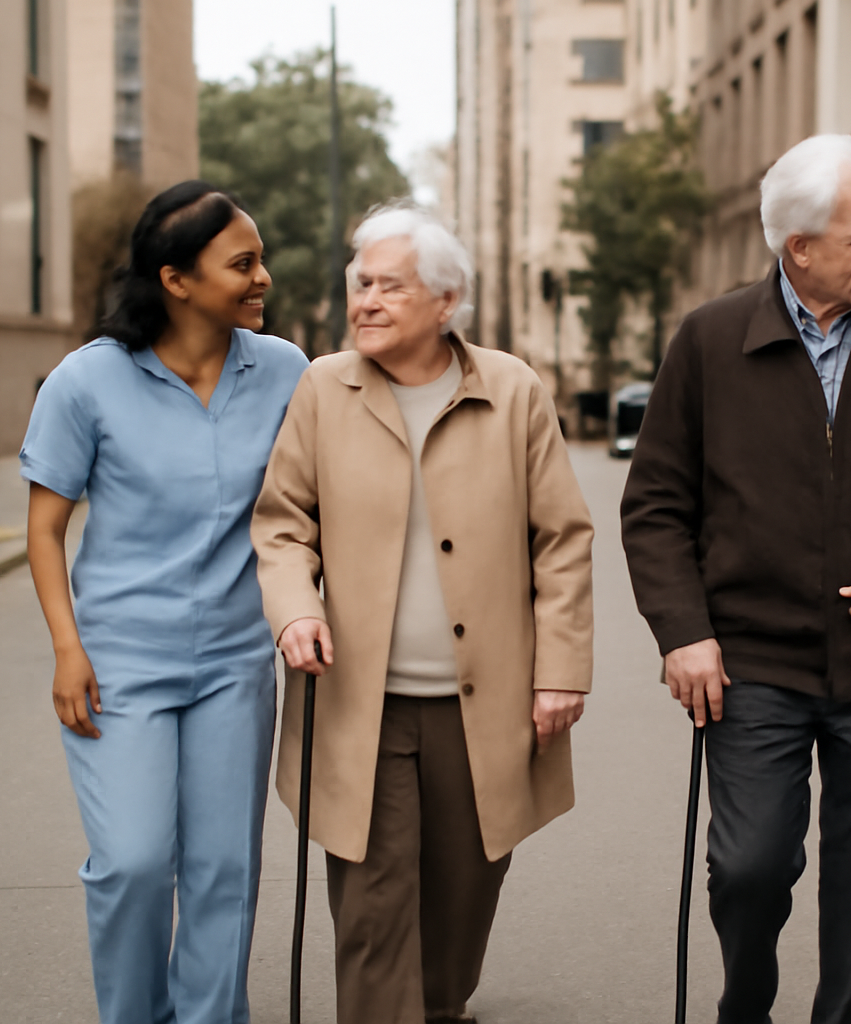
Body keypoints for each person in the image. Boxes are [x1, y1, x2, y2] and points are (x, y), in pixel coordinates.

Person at [621, 135, 851, 1024]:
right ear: (801, 249)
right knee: (748, 868)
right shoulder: (711, 340)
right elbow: (656, 506)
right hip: (752, 668)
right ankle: (745, 1003)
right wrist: (684, 632)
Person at [251, 203, 594, 1024]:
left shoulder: (511, 390)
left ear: (445, 301)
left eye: (388, 286)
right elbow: (282, 521)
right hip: (358, 701)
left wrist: (561, 673)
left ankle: (439, 1006)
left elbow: (563, 540)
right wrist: (296, 609)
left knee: (463, 890)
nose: (366, 301)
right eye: (359, 284)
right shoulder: (323, 388)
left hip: (487, 703)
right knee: (371, 907)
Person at [21, 181, 309, 1023]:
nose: (263, 278)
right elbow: (45, 531)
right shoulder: (87, 382)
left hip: (234, 660)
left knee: (225, 868)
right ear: (176, 280)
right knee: (134, 862)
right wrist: (67, 649)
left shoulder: (285, 369)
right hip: (121, 662)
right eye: (243, 263)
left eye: (260, 260)